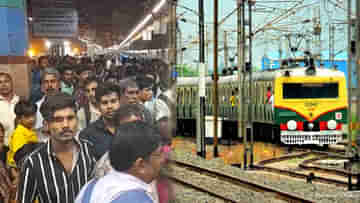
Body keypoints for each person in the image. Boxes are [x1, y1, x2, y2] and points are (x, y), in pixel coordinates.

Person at [17, 93, 96, 203]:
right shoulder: (33, 162)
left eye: (70, 118)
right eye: (58, 120)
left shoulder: (89, 150)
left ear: (77, 120)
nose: (65, 125)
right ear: (46, 125)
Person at [75, 121, 165, 203]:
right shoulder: (138, 199)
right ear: (141, 165)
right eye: (159, 153)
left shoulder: (91, 186)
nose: (163, 159)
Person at [79, 83, 121, 160]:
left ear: (120, 102)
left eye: (113, 101)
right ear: (98, 106)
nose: (109, 106)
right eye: (105, 103)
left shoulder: (129, 127)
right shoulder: (88, 135)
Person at [0, 69, 20, 147]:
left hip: (21, 146)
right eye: (0, 82)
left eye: (6, 81)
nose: (3, 85)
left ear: (11, 83)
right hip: (3, 148)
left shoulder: (20, 101)